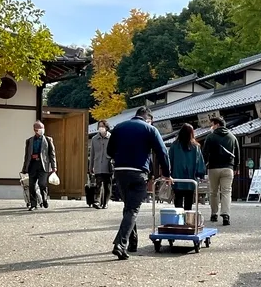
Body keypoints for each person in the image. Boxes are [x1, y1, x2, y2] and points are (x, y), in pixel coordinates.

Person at [106, 107, 170, 260]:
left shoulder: (119, 127)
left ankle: (132, 243)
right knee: (132, 210)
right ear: (148, 118)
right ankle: (120, 244)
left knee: (128, 207)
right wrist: (167, 174)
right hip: (138, 172)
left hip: (120, 171)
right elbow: (162, 152)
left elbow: (109, 151)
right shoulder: (150, 129)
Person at [201, 116, 239, 226]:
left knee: (214, 192)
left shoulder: (210, 137)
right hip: (228, 168)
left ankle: (214, 214)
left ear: (217, 125)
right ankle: (226, 215)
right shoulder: (232, 137)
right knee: (226, 191)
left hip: (213, 168)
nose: (211, 127)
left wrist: (203, 166)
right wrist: (235, 167)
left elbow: (205, 154)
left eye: (212, 124)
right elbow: (238, 154)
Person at [168, 123, 206, 212]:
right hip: (190, 179)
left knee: (178, 199)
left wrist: (168, 174)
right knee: (189, 201)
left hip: (177, 178)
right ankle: (187, 219)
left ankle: (178, 220)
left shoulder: (174, 146)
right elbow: (200, 162)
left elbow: (169, 161)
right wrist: (200, 174)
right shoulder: (196, 147)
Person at [21, 121, 56, 211]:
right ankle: (33, 204)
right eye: (39, 129)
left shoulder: (48, 140)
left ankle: (44, 199)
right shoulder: (29, 141)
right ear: (35, 130)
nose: (41, 130)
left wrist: (54, 166)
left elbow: (52, 154)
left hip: (43, 165)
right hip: (32, 164)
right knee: (31, 185)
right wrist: (24, 168)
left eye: (42, 128)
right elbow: (27, 155)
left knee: (42, 184)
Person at [88, 121, 113, 209]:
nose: (101, 128)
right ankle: (97, 201)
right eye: (99, 126)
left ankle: (105, 202)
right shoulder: (94, 139)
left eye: (102, 126)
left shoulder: (111, 138)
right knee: (98, 184)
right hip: (97, 164)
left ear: (106, 127)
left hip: (108, 165)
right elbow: (92, 154)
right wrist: (90, 167)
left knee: (107, 185)